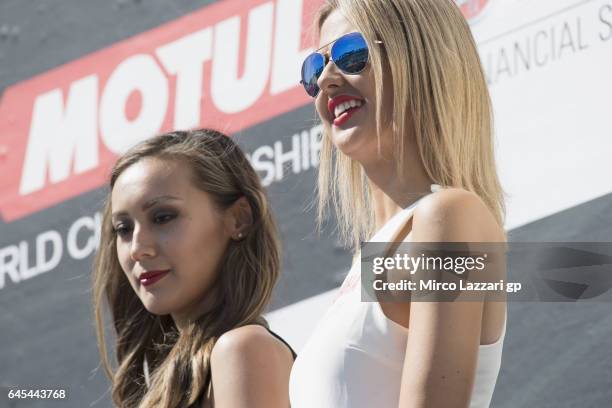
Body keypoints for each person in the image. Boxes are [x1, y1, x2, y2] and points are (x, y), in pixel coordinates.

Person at [291, 0, 507, 407]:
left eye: (351, 54)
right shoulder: (369, 258)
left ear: (420, 57)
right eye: (314, 70)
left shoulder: (449, 216)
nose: (327, 81)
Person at [92, 129, 295, 408]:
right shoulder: (179, 377)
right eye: (123, 229)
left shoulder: (242, 349)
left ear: (238, 219)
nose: (138, 248)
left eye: (163, 217)